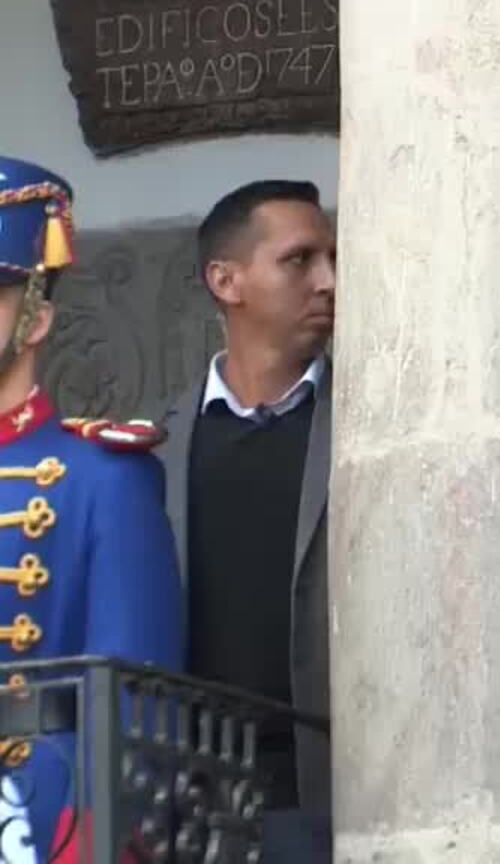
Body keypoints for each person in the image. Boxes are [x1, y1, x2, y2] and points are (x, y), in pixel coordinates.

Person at [0, 157, 181, 864]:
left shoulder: (103, 476)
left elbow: (134, 703)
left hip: (32, 811)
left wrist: (85, 845)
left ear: (37, 320)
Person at [153, 180, 335, 862]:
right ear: (225, 281)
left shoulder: (374, 434)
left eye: (334, 260)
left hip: (330, 793)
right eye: (299, 260)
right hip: (187, 803)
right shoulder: (155, 447)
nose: (328, 282)